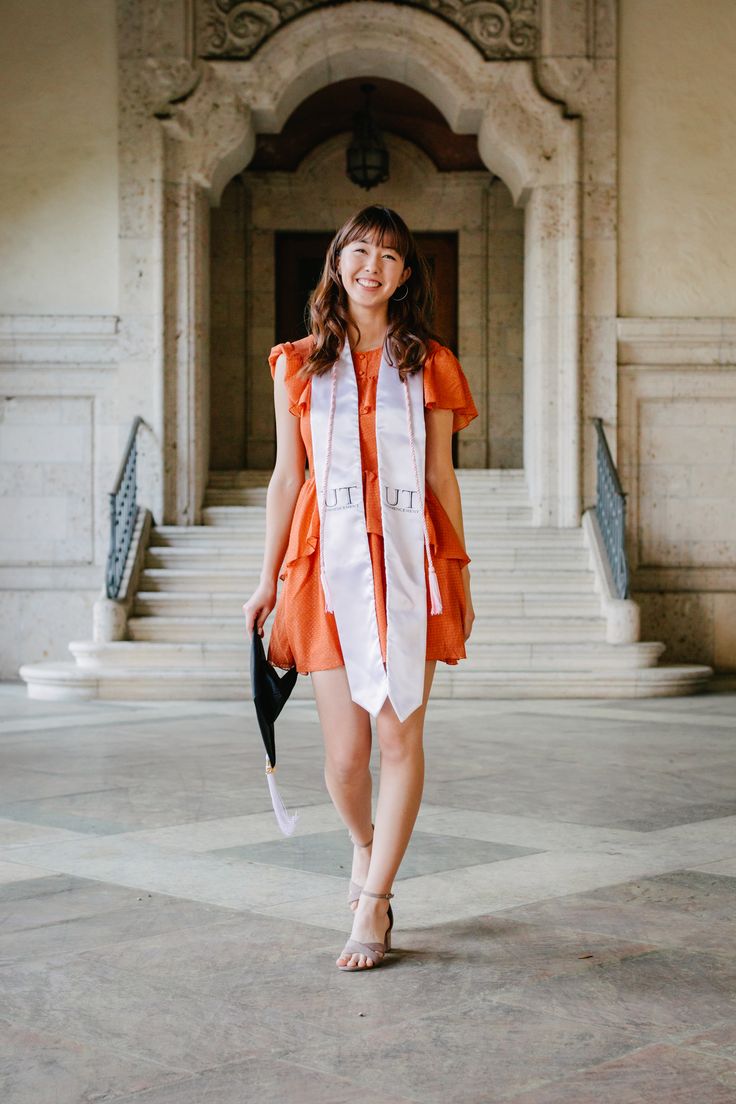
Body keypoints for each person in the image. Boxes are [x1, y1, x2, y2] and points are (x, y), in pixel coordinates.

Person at [243, 205, 478, 971]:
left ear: (406, 274)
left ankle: (373, 902)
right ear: (337, 260)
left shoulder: (430, 362)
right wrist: (265, 579)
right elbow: (288, 477)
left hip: (409, 560)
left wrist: (460, 570)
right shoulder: (295, 362)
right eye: (360, 249)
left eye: (389, 254)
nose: (373, 263)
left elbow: (441, 474)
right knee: (345, 758)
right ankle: (366, 845)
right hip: (326, 562)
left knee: (397, 735)